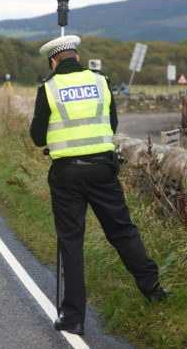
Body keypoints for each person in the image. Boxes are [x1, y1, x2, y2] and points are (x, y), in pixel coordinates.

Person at [29, 35, 171, 335]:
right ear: (77, 57)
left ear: (53, 61)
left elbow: (38, 137)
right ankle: (154, 291)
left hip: (66, 174)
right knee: (122, 231)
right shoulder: (101, 82)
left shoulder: (49, 88)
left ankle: (73, 317)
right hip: (103, 170)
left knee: (71, 241)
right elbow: (112, 124)